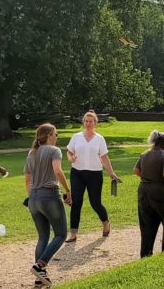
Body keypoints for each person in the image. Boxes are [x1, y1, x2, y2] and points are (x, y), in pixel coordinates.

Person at [23, 124, 72, 288]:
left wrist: (31, 196)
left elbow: (27, 178)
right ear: (49, 135)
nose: (57, 137)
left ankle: (40, 278)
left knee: (43, 237)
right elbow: (58, 171)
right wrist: (68, 190)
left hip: (33, 198)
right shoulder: (54, 150)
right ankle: (40, 265)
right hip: (49, 194)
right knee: (61, 234)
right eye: (56, 134)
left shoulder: (32, 153)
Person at [65, 110, 119, 242]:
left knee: (95, 202)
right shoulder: (76, 137)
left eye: (91, 121)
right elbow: (69, 152)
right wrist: (71, 158)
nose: (88, 123)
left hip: (95, 174)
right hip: (77, 173)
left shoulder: (99, 139)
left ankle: (105, 222)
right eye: (86, 121)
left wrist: (111, 173)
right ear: (83, 122)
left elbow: (104, 157)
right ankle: (73, 232)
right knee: (76, 202)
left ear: (95, 123)